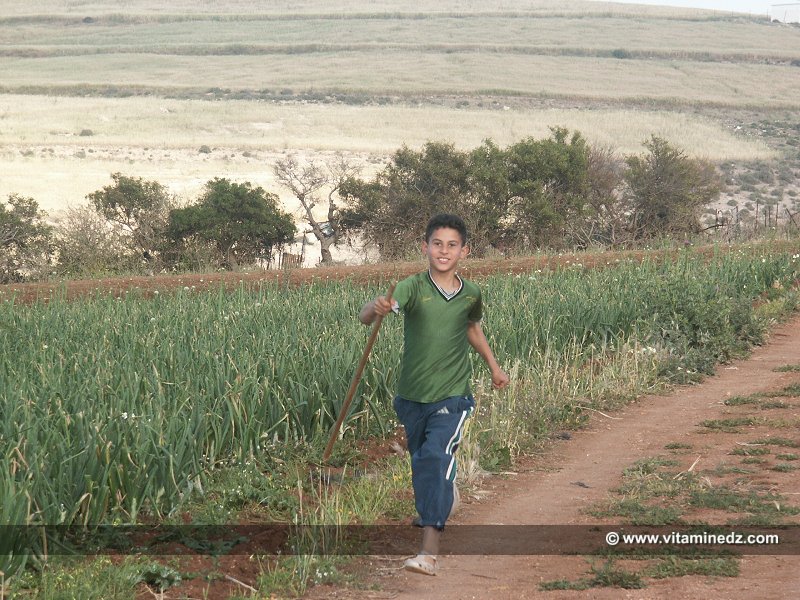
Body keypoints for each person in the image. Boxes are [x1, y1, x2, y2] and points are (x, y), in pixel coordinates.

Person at [359, 213, 509, 576]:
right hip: (412, 397)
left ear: (464, 251)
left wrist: (493, 366)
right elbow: (369, 316)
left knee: (434, 458)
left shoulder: (471, 293)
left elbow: (471, 326)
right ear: (425, 247)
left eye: (452, 245)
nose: (444, 251)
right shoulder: (410, 286)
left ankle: (428, 550)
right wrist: (375, 308)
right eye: (437, 244)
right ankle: (444, 498)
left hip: (453, 396)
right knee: (423, 461)